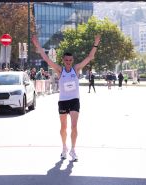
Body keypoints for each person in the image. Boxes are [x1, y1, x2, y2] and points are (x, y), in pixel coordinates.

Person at [32, 34, 100, 162]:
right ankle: (64, 148)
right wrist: (38, 46)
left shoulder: (76, 69)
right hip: (63, 101)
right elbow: (47, 59)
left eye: (70, 60)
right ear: (63, 60)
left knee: (74, 126)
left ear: (72, 60)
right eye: (66, 60)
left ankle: (73, 150)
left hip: (74, 100)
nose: (68, 62)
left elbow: (90, 57)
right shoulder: (60, 70)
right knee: (63, 127)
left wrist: (96, 43)